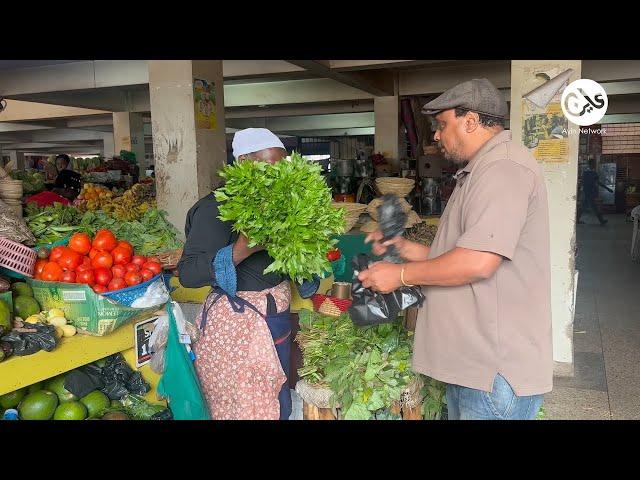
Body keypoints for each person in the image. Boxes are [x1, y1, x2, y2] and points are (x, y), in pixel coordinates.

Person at [358, 79, 552, 420]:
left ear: (471, 121)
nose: (436, 135)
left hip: (492, 371)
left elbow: (477, 262)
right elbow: (454, 254)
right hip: (475, 365)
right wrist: (402, 247)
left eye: (442, 125)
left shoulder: (502, 168)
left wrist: (399, 275)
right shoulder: (480, 170)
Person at [177, 128, 318, 420]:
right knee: (242, 404)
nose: (277, 176)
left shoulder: (280, 204)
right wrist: (242, 248)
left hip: (273, 317)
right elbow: (189, 273)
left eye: (281, 168)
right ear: (243, 162)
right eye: (269, 167)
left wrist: (305, 254)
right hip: (237, 328)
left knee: (272, 396)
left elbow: (293, 264)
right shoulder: (215, 207)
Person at [577, 159, 612, 225]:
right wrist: (607, 188)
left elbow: (582, 182)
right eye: (594, 163)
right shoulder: (593, 173)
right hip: (589, 193)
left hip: (586, 192)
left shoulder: (584, 172)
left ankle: (577, 220)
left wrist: (580, 191)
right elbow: (598, 182)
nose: (595, 165)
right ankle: (601, 221)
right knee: (593, 207)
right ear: (591, 164)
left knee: (583, 207)